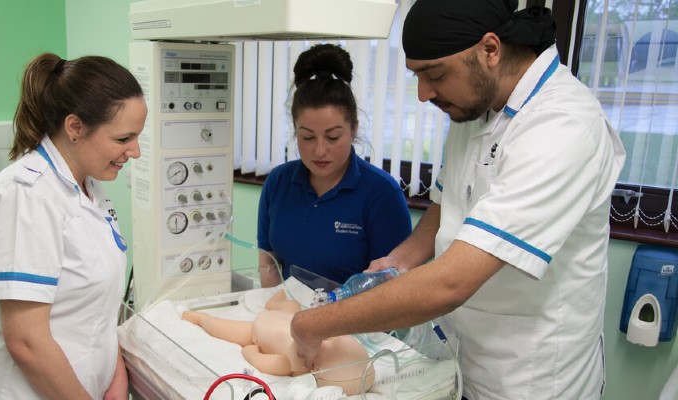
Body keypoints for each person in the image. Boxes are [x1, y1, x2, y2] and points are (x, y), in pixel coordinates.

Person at [290, 2, 626, 399]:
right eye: (417, 76)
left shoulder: (563, 128)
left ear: (490, 50)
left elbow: (451, 282)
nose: (422, 94)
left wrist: (314, 324)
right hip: (461, 364)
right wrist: (398, 261)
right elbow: (447, 206)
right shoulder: (476, 107)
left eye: (434, 75)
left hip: (530, 380)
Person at [0, 53, 147, 400]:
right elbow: (27, 342)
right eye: (123, 139)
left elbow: (96, 309)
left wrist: (115, 376)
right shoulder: (25, 197)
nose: (134, 151)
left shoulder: (89, 189)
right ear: (75, 127)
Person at [257, 43, 412, 287]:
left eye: (333, 137)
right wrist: (271, 308)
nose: (319, 150)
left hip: (356, 322)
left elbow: (391, 288)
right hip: (286, 316)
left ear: (353, 129)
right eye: (307, 137)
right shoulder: (278, 182)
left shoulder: (381, 194)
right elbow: (268, 262)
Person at [181, 290, 375, 396]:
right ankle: (275, 303)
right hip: (290, 318)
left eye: (328, 345)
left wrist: (250, 351)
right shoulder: (317, 335)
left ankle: (202, 319)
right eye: (334, 337)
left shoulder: (288, 364)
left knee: (225, 328)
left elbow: (260, 360)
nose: (327, 339)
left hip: (256, 329)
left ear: (314, 368)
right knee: (293, 308)